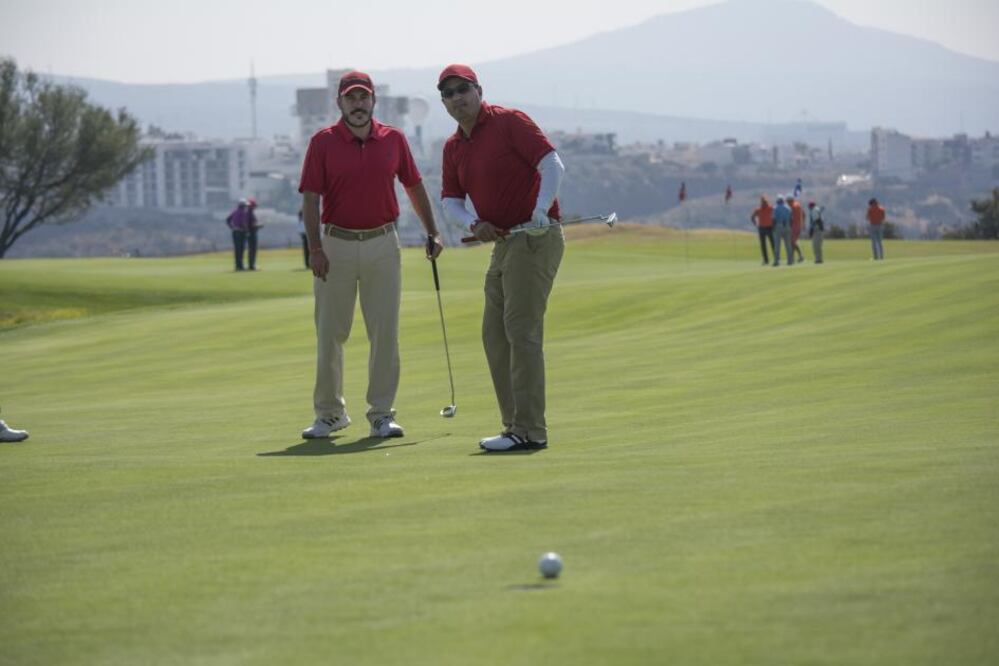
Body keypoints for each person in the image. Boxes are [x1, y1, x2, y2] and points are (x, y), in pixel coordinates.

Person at [298, 70, 442, 440]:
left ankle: (381, 414)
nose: (358, 104)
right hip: (336, 244)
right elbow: (311, 199)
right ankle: (330, 414)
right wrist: (315, 248)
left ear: (373, 100)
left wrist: (432, 231)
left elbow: (413, 185)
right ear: (340, 102)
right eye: (351, 98)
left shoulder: (393, 138)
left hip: (383, 243)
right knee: (330, 332)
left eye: (363, 97)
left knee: (385, 333)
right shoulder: (322, 142)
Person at [438, 63, 565, 452]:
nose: (457, 98)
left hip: (535, 236)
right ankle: (514, 425)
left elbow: (552, 164)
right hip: (504, 243)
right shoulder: (453, 146)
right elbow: (450, 201)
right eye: (448, 93)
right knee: (494, 334)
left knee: (521, 331)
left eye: (463, 89)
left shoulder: (509, 121)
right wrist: (475, 224)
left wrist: (541, 210)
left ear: (479, 91)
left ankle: (530, 431)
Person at [226, 199, 251, 270]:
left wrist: (232, 227)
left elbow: (228, 219)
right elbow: (243, 223)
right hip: (241, 232)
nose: (246, 207)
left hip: (235, 232)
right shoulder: (243, 212)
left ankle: (237, 265)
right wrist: (247, 231)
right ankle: (240, 266)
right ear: (242, 206)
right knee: (241, 249)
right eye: (245, 205)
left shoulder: (235, 211)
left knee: (237, 249)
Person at [750, 196, 775, 265]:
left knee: (773, 244)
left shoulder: (771, 208)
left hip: (769, 227)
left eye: (765, 202)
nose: (764, 203)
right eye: (763, 202)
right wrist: (755, 223)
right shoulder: (758, 209)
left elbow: (776, 215)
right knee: (763, 245)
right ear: (761, 202)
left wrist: (774, 223)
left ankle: (776, 258)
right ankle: (766, 260)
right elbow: (752, 217)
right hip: (762, 228)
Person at [772, 195, 793, 266]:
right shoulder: (788, 208)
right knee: (788, 244)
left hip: (779, 226)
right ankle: (790, 260)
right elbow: (791, 219)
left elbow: (774, 219)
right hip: (787, 225)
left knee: (777, 245)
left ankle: (776, 261)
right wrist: (790, 227)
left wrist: (773, 228)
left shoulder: (775, 208)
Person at [787, 195, 806, 263]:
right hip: (798, 226)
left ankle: (794, 257)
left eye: (788, 201)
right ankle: (799, 256)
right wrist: (803, 223)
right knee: (793, 242)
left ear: (790, 201)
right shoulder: (798, 205)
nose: (787, 203)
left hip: (794, 226)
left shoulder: (792, 206)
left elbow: (790, 217)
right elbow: (803, 214)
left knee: (792, 242)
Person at [246, 197, 261, 270]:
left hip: (251, 233)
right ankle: (251, 265)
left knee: (252, 250)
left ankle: (251, 265)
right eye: (254, 205)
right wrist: (259, 226)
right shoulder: (250, 213)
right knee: (252, 249)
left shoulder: (249, 213)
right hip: (251, 233)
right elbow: (252, 225)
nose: (255, 207)